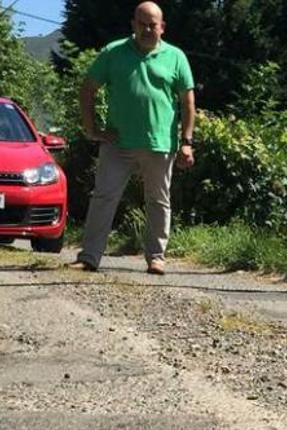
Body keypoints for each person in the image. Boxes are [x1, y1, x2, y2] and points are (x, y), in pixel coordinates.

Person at [67, 1, 195, 275]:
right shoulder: (113, 53)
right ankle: (89, 257)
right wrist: (93, 130)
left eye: (153, 24)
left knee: (158, 201)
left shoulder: (176, 57)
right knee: (103, 197)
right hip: (118, 143)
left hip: (160, 143)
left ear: (162, 27)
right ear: (133, 25)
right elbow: (88, 89)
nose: (148, 29)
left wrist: (186, 142)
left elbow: (187, 103)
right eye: (142, 23)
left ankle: (156, 258)